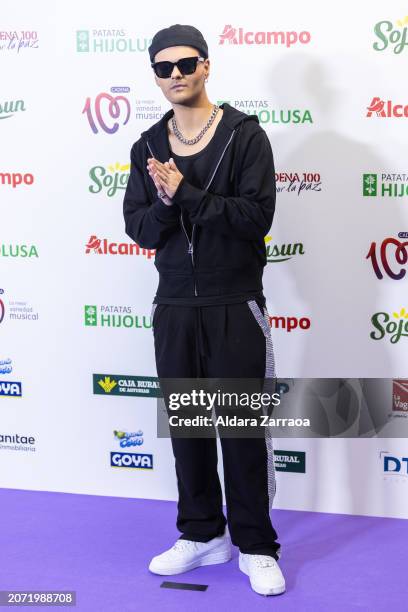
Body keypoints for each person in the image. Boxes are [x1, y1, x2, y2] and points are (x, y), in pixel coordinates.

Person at [123, 23, 285, 597]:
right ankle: (201, 534)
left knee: (241, 430)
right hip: (173, 306)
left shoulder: (245, 136)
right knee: (190, 430)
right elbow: (139, 228)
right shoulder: (146, 144)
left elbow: (254, 219)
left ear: (207, 65)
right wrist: (166, 203)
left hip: (232, 303)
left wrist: (186, 193)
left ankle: (257, 545)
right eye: (163, 68)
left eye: (185, 64)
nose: (175, 76)